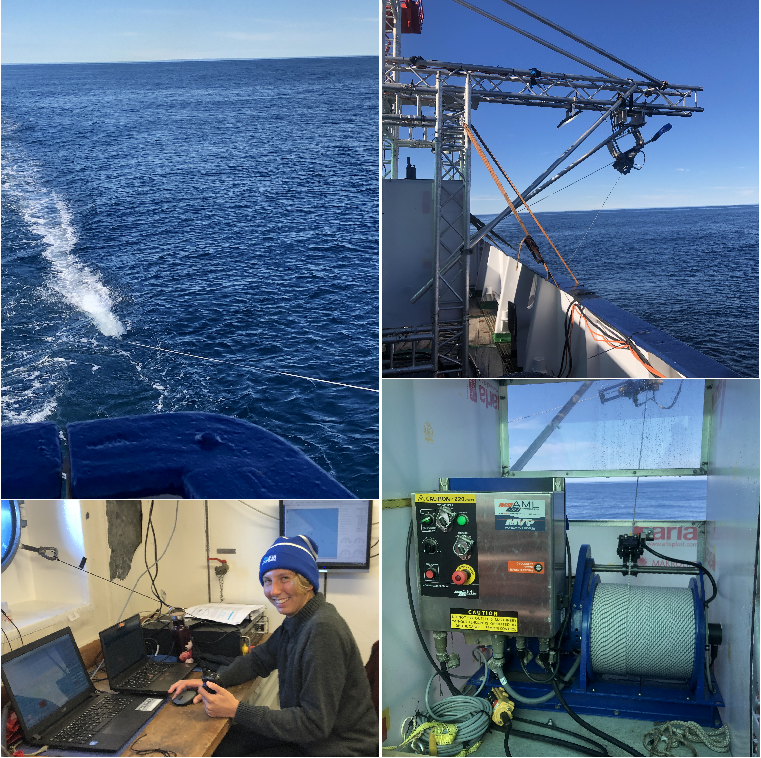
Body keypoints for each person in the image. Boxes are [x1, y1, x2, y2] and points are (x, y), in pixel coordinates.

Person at [168, 535, 378, 756]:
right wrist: (211, 682)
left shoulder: (323, 630)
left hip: (337, 748)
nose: (274, 590)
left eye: (284, 578)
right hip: (311, 739)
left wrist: (236, 710)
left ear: (307, 582)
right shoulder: (299, 620)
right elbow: (259, 660)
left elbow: (314, 724)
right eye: (268, 581)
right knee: (226, 745)